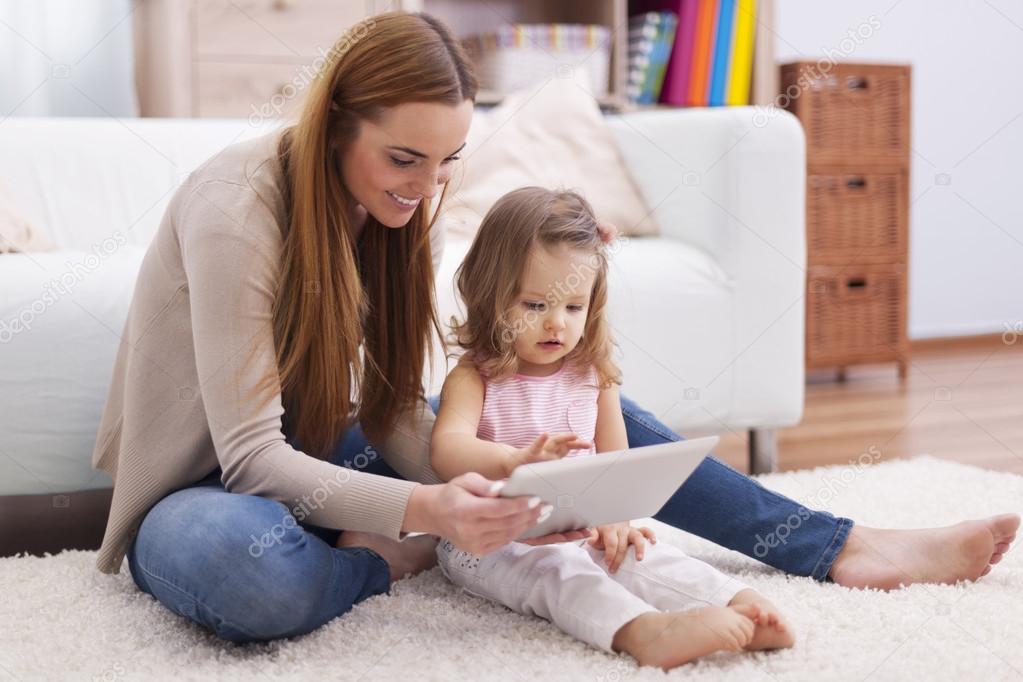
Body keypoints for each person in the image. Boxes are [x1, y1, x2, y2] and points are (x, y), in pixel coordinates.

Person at [92, 11, 1018, 644]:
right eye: (403, 158)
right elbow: (252, 459)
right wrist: (422, 515)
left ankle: (839, 545)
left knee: (555, 417)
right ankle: (374, 562)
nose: (423, 189)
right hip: (213, 484)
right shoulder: (236, 208)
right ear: (335, 124)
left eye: (447, 161)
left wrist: (533, 469)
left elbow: (385, 414)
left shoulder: (397, 210)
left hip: (334, 451)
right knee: (243, 572)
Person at [428, 186, 794, 669]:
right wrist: (512, 461)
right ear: (491, 295)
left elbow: (616, 469)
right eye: (535, 305)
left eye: (573, 307)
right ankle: (642, 631)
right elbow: (447, 450)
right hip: (489, 541)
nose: (556, 324)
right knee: (558, 574)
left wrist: (616, 522)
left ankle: (738, 600)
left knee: (646, 557)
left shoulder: (594, 376)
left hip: (578, 526)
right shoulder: (476, 376)